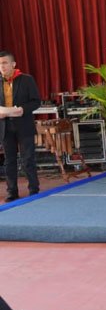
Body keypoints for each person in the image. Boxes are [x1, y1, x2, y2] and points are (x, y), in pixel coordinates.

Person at [0, 51, 41, 202]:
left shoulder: (26, 79)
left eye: (4, 63)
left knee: (28, 158)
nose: (2, 66)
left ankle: (34, 189)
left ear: (13, 64)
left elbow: (36, 101)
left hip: (23, 124)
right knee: (9, 160)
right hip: (4, 125)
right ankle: (12, 191)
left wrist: (22, 109)